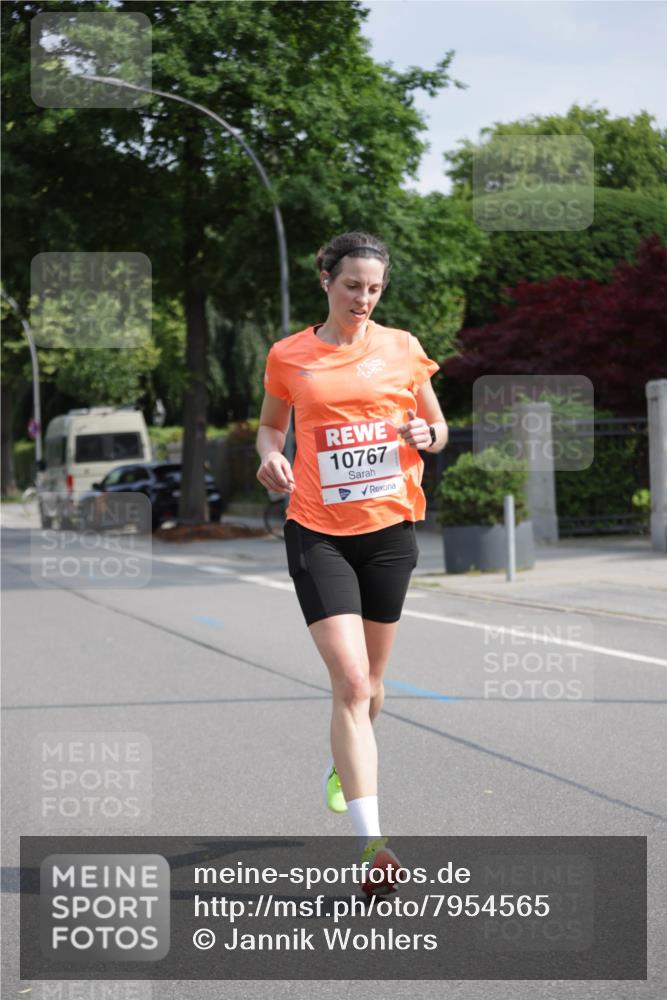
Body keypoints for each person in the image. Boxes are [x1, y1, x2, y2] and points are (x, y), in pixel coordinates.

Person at [256, 232, 447, 894]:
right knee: (353, 682)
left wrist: (426, 434)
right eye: (352, 285)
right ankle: (372, 847)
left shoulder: (402, 347)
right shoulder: (289, 355)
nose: (363, 298)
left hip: (390, 530)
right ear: (325, 280)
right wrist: (270, 454)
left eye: (374, 288)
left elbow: (436, 428)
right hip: (317, 532)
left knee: (374, 685)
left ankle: (345, 762)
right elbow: (270, 426)